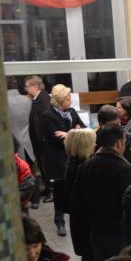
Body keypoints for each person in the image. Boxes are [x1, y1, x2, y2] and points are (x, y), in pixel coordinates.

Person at [71, 124, 131, 261]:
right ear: (119, 143)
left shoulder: (86, 165)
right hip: (118, 233)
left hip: (94, 231)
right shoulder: (124, 169)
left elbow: (76, 200)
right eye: (124, 142)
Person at [41, 84, 87, 236]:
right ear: (59, 100)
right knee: (60, 191)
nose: (70, 101)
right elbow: (57, 140)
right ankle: (59, 221)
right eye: (67, 99)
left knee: (76, 189)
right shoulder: (47, 115)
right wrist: (75, 132)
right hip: (58, 161)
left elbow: (85, 129)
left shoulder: (72, 112)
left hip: (73, 158)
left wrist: (68, 134)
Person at [63, 128, 98, 261]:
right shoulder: (82, 167)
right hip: (85, 221)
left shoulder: (72, 163)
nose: (95, 145)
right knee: (90, 257)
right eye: (93, 142)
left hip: (79, 219)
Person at [26, 75, 51, 203]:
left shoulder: (43, 99)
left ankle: (51, 191)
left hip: (43, 142)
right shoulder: (38, 99)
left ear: (35, 86)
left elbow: (44, 121)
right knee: (43, 166)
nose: (26, 89)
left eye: (27, 86)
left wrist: (42, 138)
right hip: (39, 141)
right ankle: (48, 188)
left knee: (46, 166)